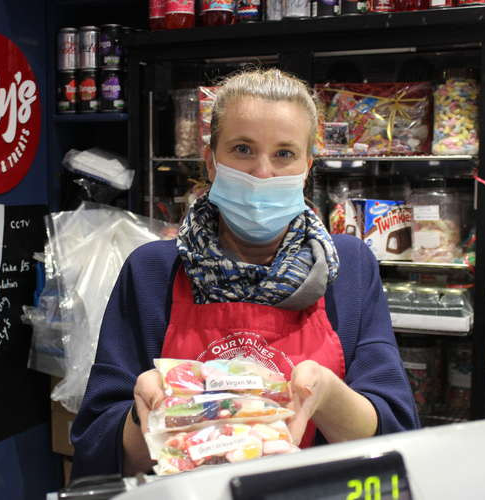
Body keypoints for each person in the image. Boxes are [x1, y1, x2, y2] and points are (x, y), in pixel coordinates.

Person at [70, 68, 419, 478]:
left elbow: (397, 433)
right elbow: (97, 447)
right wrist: (143, 416)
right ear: (211, 162)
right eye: (242, 149)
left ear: (308, 166)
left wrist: (326, 396)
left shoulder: (350, 266)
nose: (262, 173)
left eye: (284, 154)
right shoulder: (151, 270)